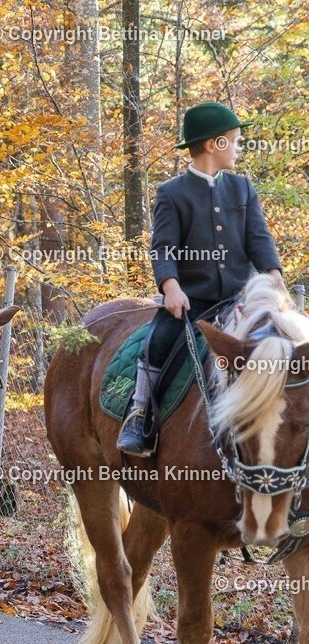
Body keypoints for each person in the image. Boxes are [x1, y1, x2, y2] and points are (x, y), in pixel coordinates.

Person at [116, 102, 283, 457]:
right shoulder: (172, 193)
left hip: (242, 300)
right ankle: (139, 414)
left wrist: (273, 275)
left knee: (284, 342)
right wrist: (170, 286)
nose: (239, 147)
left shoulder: (243, 189)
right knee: (158, 339)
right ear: (212, 145)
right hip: (191, 302)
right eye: (234, 140)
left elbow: (259, 239)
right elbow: (163, 248)